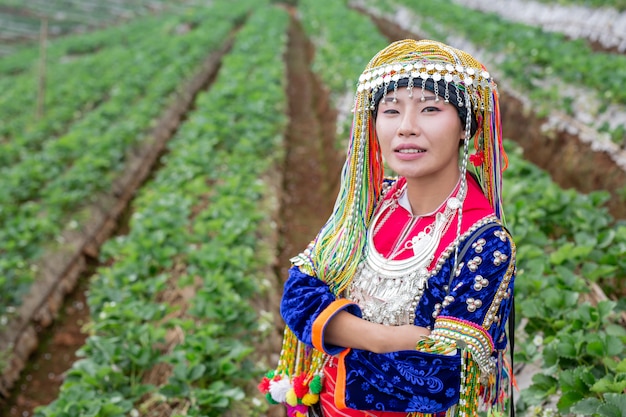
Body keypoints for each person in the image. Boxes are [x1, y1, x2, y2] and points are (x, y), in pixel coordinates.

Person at [259, 38, 516, 417]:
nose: (406, 128)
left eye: (430, 109)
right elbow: (298, 292)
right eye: (390, 110)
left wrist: (334, 329)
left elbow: (442, 374)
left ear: (466, 127)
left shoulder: (484, 242)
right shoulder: (370, 202)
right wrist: (383, 338)